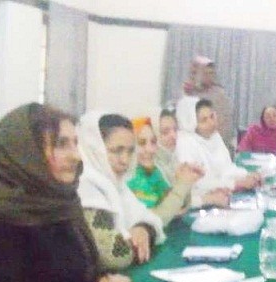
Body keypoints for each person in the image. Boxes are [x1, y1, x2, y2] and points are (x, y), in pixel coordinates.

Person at [0, 103, 136, 282]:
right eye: (61, 144)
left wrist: (97, 281)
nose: (76, 156)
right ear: (26, 151)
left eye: (75, 143)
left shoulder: (60, 201)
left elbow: (66, 272)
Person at [78, 112, 197, 269]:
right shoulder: (87, 187)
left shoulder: (117, 185)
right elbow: (114, 255)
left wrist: (144, 228)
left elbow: (152, 219)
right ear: (95, 148)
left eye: (130, 151)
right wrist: (136, 238)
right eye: (117, 151)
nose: (125, 160)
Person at [174, 97, 258, 207]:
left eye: (212, 116)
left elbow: (226, 168)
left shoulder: (214, 136)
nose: (211, 123)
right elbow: (199, 184)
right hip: (198, 204)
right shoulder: (185, 143)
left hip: (221, 198)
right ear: (191, 123)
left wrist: (246, 175)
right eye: (204, 120)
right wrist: (235, 184)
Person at [127, 117, 201, 215]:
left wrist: (182, 180)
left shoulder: (154, 172)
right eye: (141, 143)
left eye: (153, 142)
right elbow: (156, 218)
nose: (150, 149)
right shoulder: (128, 180)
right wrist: (182, 184)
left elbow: (179, 206)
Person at [181, 55, 235, 149]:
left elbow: (224, 129)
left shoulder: (219, 95)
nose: (209, 76)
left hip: (214, 146)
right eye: (205, 73)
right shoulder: (188, 93)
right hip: (191, 145)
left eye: (211, 73)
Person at [154, 109, 180, 181]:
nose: (173, 136)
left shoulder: (174, 159)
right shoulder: (152, 167)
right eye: (165, 132)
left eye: (175, 130)